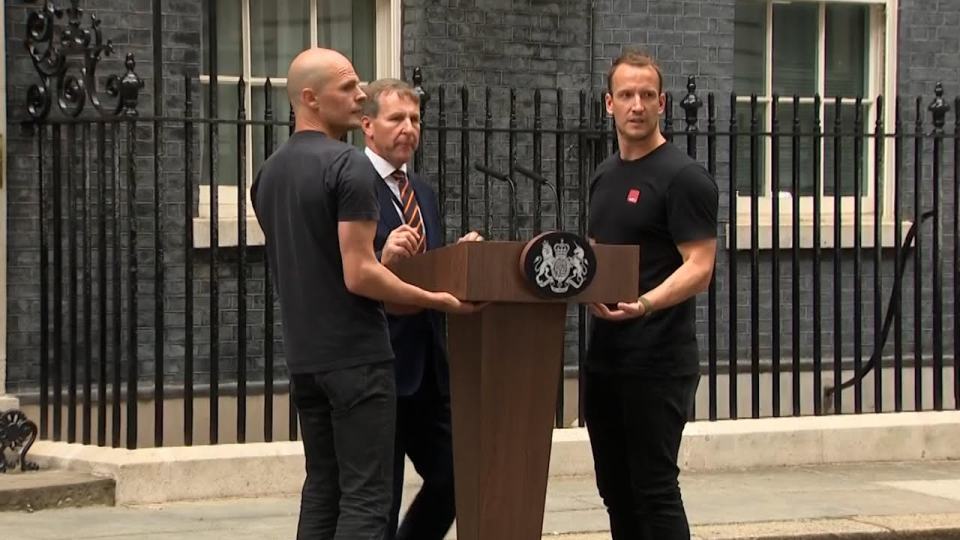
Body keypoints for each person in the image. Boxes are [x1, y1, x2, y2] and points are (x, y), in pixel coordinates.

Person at [251, 48, 480, 540]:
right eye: (348, 88)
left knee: (324, 490)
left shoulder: (267, 173)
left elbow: (314, 264)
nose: (360, 96)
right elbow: (359, 274)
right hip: (359, 357)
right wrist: (439, 300)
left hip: (307, 359)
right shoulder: (348, 165)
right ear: (310, 98)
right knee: (368, 500)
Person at [585, 50, 719, 540]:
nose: (636, 105)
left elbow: (700, 267)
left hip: (659, 360)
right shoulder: (603, 176)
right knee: (614, 489)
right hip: (605, 359)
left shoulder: (684, 177)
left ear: (662, 103)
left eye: (646, 95)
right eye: (626, 95)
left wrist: (643, 303)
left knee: (654, 489)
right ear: (609, 104)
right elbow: (597, 256)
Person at [360, 78, 482, 540]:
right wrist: (381, 258)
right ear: (367, 125)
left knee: (456, 475)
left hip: (429, 366)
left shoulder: (422, 192)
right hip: (381, 361)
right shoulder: (354, 184)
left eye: (414, 119)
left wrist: (462, 258)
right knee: (379, 498)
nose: (408, 128)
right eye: (396, 119)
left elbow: (425, 269)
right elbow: (350, 271)